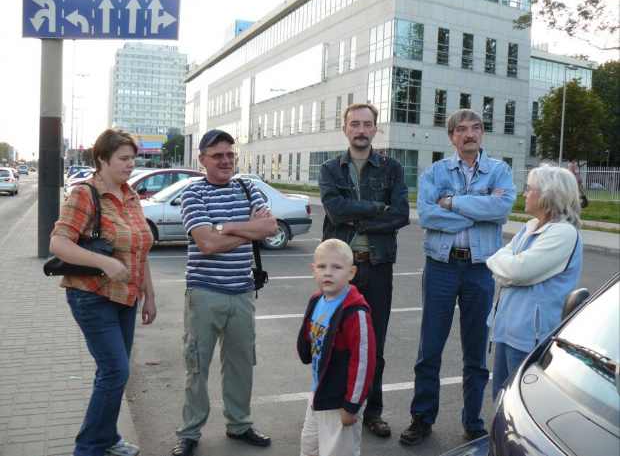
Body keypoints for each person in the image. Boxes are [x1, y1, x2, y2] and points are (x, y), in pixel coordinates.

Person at [400, 109, 516, 446]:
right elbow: (426, 215)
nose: (469, 134)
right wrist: (476, 210)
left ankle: (473, 421)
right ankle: (422, 418)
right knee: (430, 348)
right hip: (441, 266)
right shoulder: (435, 172)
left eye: (476, 128)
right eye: (461, 130)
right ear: (451, 137)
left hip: (481, 269)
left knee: (476, 352)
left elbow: (502, 210)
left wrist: (451, 203)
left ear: (482, 134)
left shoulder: (499, 171)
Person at [50, 128, 157, 456]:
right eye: (124, 159)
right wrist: (104, 262)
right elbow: (58, 242)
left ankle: (107, 438)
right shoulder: (85, 194)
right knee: (115, 370)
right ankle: (89, 448)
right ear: (101, 159)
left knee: (113, 372)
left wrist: (149, 296)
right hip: (92, 296)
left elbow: (141, 248)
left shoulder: (131, 195)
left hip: (126, 297)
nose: (130, 165)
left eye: (133, 158)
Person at [171, 129, 277, 456]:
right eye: (217, 155)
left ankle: (239, 424)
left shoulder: (247, 188)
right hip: (204, 292)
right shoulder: (193, 193)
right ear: (202, 159)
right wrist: (247, 229)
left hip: (243, 292)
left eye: (230, 154)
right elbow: (206, 243)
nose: (226, 160)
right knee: (197, 365)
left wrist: (226, 227)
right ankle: (190, 433)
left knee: (241, 363)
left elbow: (270, 228)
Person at [319, 102, 410, 438]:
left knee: (375, 345)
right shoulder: (331, 168)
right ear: (345, 129)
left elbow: (400, 214)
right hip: (339, 270)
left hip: (377, 267)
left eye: (366, 124)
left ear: (375, 129)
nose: (360, 129)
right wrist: (374, 208)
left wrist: (358, 218)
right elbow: (335, 209)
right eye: (354, 124)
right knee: (333, 341)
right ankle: (331, 405)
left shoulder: (391, 168)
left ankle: (373, 411)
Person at [487, 165, 583, 399]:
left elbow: (515, 270)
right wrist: (506, 269)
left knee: (520, 401)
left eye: (529, 189)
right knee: (501, 397)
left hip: (531, 336)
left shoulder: (563, 234)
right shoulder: (530, 227)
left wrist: (506, 269)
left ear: (548, 195)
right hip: (509, 329)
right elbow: (499, 262)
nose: (525, 194)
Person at [297, 239, 376, 456]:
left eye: (336, 268)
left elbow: (363, 362)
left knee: (337, 451)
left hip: (341, 399)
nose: (328, 273)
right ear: (313, 270)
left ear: (351, 273)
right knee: (309, 447)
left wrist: (352, 406)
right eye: (322, 267)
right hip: (319, 393)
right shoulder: (316, 300)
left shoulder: (355, 312)